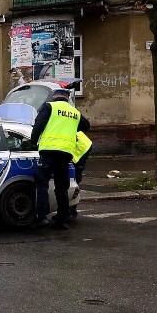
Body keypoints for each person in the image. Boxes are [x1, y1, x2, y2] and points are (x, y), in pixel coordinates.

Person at [29, 88, 90, 229]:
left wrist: (33, 142)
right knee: (62, 186)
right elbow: (87, 126)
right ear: (67, 98)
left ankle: (41, 217)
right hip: (66, 153)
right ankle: (63, 219)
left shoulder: (49, 106)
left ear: (54, 97)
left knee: (42, 183)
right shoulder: (75, 112)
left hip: (49, 151)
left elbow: (38, 125)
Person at [69, 130, 93, 218]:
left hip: (81, 148)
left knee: (73, 180)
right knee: (73, 179)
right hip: (83, 144)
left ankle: (71, 209)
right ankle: (71, 209)